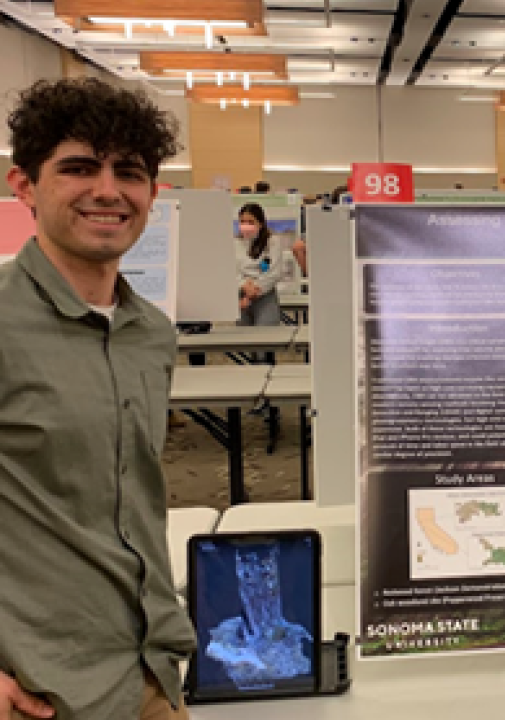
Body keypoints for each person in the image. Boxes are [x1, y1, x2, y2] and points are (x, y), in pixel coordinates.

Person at [0, 77, 196, 719]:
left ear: (152, 194)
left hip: (150, 673)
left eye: (129, 172)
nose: (108, 190)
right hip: (40, 690)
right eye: (79, 168)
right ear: (23, 184)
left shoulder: (151, 334)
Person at [235, 202, 286, 329]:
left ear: (261, 223)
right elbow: (232, 271)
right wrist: (244, 285)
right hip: (241, 296)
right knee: (242, 340)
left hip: (265, 295)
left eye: (250, 222)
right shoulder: (234, 243)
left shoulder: (272, 242)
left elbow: (275, 272)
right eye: (242, 222)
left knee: (266, 336)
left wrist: (256, 288)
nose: (246, 225)